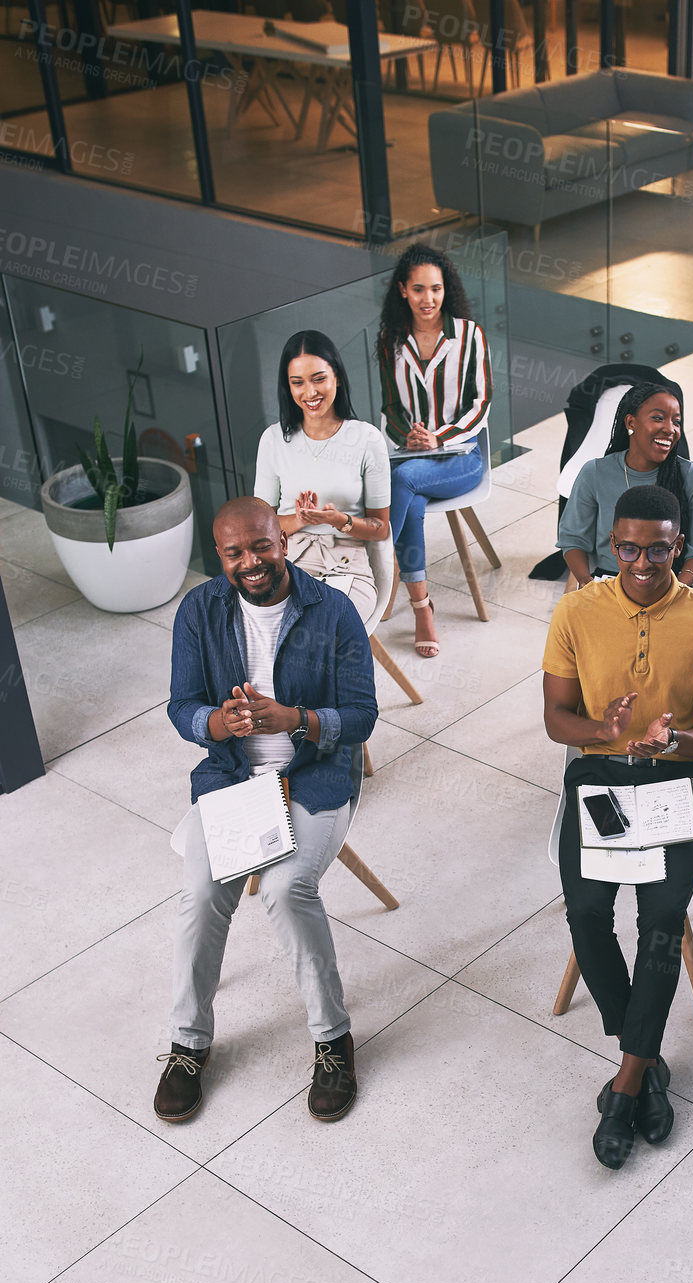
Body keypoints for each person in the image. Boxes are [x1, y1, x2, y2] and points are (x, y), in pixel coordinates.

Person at [156, 498, 378, 1126]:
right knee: (200, 893)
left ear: (281, 540)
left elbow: (362, 716)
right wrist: (215, 724)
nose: (250, 562)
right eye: (234, 553)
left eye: (261, 546)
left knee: (286, 888)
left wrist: (298, 721)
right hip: (233, 777)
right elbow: (181, 707)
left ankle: (333, 1040)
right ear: (221, 557)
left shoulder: (332, 611)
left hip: (313, 776)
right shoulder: (200, 612)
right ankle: (188, 1044)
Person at [543, 484, 693, 1169]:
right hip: (600, 777)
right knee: (587, 911)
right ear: (611, 546)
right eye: (627, 547)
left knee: (661, 924)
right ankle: (647, 1060)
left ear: (677, 547)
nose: (642, 561)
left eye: (658, 548)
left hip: (673, 782)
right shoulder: (574, 612)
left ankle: (626, 1081)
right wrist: (601, 730)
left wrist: (676, 742)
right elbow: (555, 718)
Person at [377, 243, 493, 658]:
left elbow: (482, 403)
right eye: (419, 290)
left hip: (462, 458)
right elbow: (390, 406)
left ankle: (375, 553)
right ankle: (422, 607)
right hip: (412, 458)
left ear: (446, 290)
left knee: (402, 482)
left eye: (436, 289)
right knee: (411, 492)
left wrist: (439, 439)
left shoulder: (470, 336)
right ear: (403, 292)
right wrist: (406, 435)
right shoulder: (392, 340)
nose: (429, 299)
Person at [254, 329, 392, 627]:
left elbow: (380, 528)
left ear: (337, 377)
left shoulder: (367, 439)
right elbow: (259, 528)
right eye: (297, 383)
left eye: (319, 379)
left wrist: (337, 520)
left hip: (346, 566)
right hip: (288, 560)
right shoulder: (273, 440)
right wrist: (301, 519)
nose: (310, 393)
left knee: (319, 626)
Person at [558, 381, 693, 593]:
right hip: (610, 581)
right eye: (658, 418)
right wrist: (586, 582)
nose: (670, 429)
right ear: (631, 422)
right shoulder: (595, 473)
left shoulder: (690, 475)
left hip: (671, 581)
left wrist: (678, 588)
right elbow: (573, 539)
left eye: (677, 422)